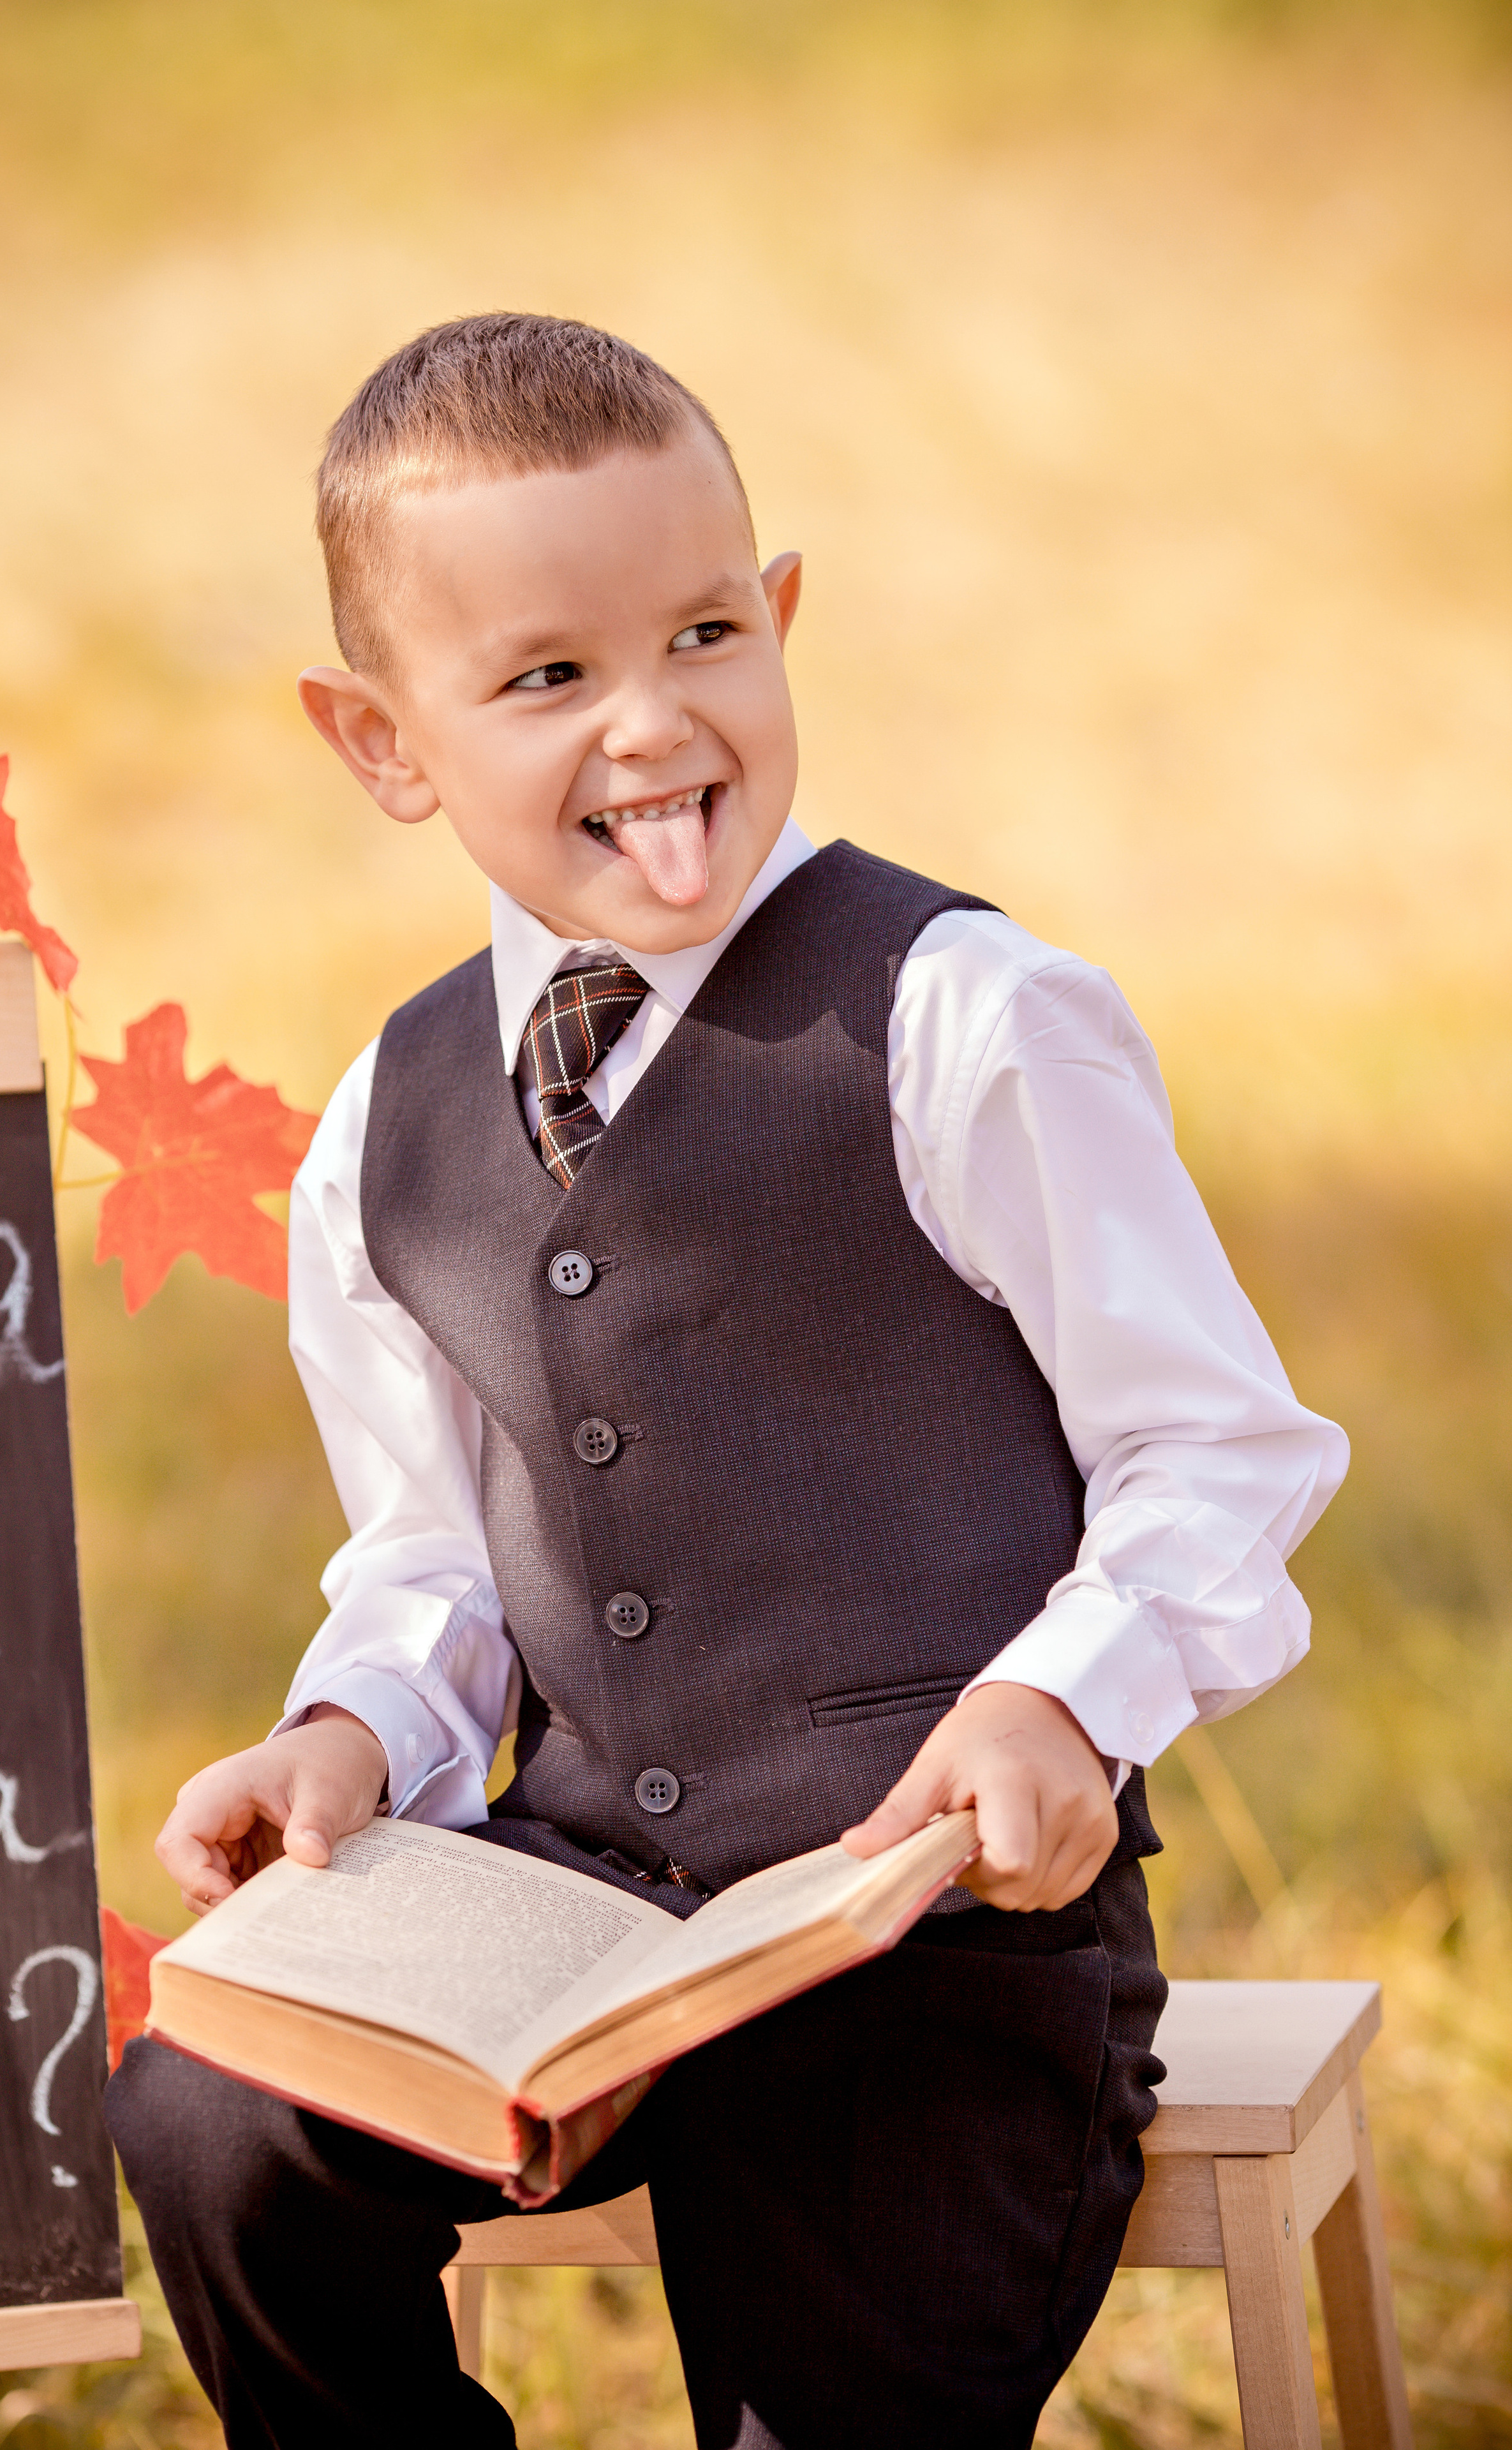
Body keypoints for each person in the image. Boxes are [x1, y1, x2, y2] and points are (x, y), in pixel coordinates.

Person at [106, 313, 1347, 2449]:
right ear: (383, 742)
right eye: (547, 676)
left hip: (924, 1946)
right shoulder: (385, 1123)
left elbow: (1216, 1449)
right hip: (577, 1919)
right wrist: (347, 1732)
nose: (654, 722)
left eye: (703, 635)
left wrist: (1064, 1703)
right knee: (213, 2117)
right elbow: (436, 1562)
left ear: (780, 617)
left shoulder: (963, 1020)